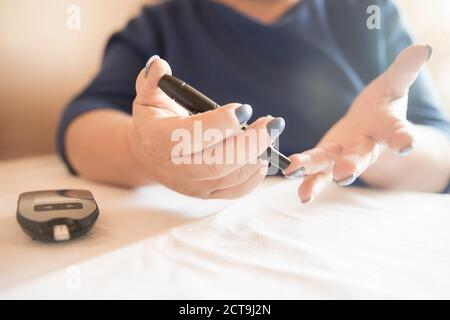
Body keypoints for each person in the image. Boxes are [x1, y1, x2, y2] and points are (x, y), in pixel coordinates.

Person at [57, 0, 450, 202]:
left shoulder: (370, 13)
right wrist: (141, 152)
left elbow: (441, 155)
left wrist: (379, 151)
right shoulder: (161, 25)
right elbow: (82, 124)